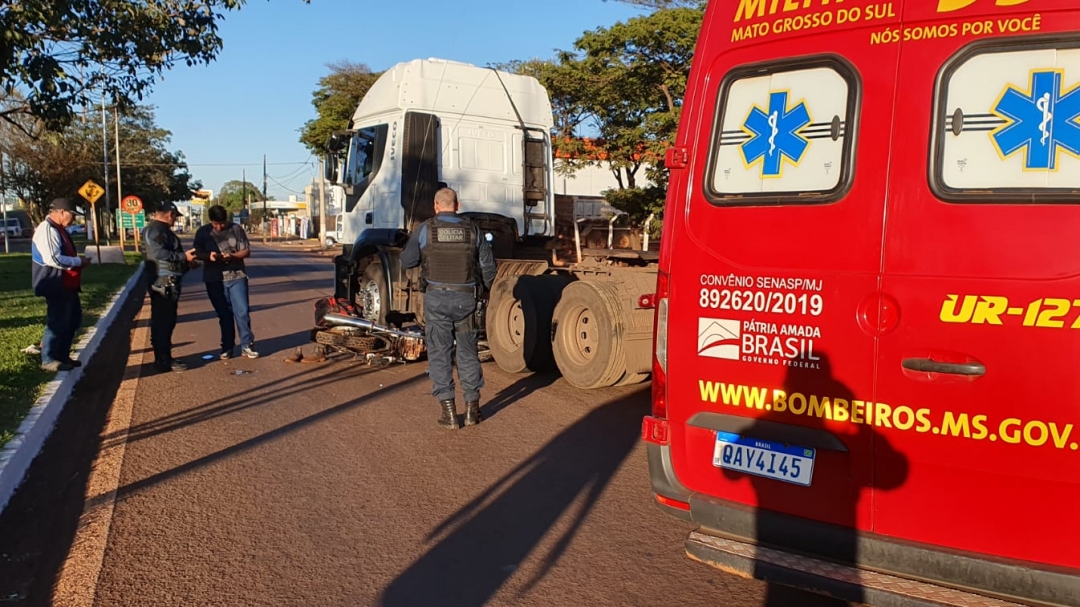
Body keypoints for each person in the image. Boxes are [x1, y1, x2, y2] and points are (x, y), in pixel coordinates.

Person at [401, 187, 497, 430]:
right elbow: (488, 266)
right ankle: (473, 410)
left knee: (440, 353)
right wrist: (483, 290)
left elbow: (407, 261)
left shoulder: (424, 230)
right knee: (467, 352)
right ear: (458, 205)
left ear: (435, 206)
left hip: (437, 299)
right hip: (466, 299)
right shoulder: (473, 230)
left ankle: (450, 413)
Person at [30, 198, 91, 372]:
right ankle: (49, 358)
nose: (73, 219)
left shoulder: (59, 229)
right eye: (72, 215)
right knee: (57, 321)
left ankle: (62, 355)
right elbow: (53, 259)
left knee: (72, 321)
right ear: (62, 212)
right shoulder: (47, 230)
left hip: (67, 283)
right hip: (55, 282)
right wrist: (78, 261)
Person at [193, 205, 258, 359]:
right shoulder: (203, 232)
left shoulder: (236, 229)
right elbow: (196, 253)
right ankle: (227, 347)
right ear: (211, 221)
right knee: (224, 314)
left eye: (222, 223)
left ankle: (246, 345)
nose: (220, 226)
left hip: (237, 276)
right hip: (214, 279)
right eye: (216, 224)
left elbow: (246, 251)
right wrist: (209, 256)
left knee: (242, 312)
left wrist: (232, 256)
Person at [144, 201, 197, 373]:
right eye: (175, 217)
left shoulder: (159, 230)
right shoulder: (156, 230)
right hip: (163, 282)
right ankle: (163, 359)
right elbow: (158, 253)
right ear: (170, 214)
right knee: (163, 321)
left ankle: (163, 356)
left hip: (166, 279)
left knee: (166, 320)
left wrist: (188, 263)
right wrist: (183, 256)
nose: (175, 220)